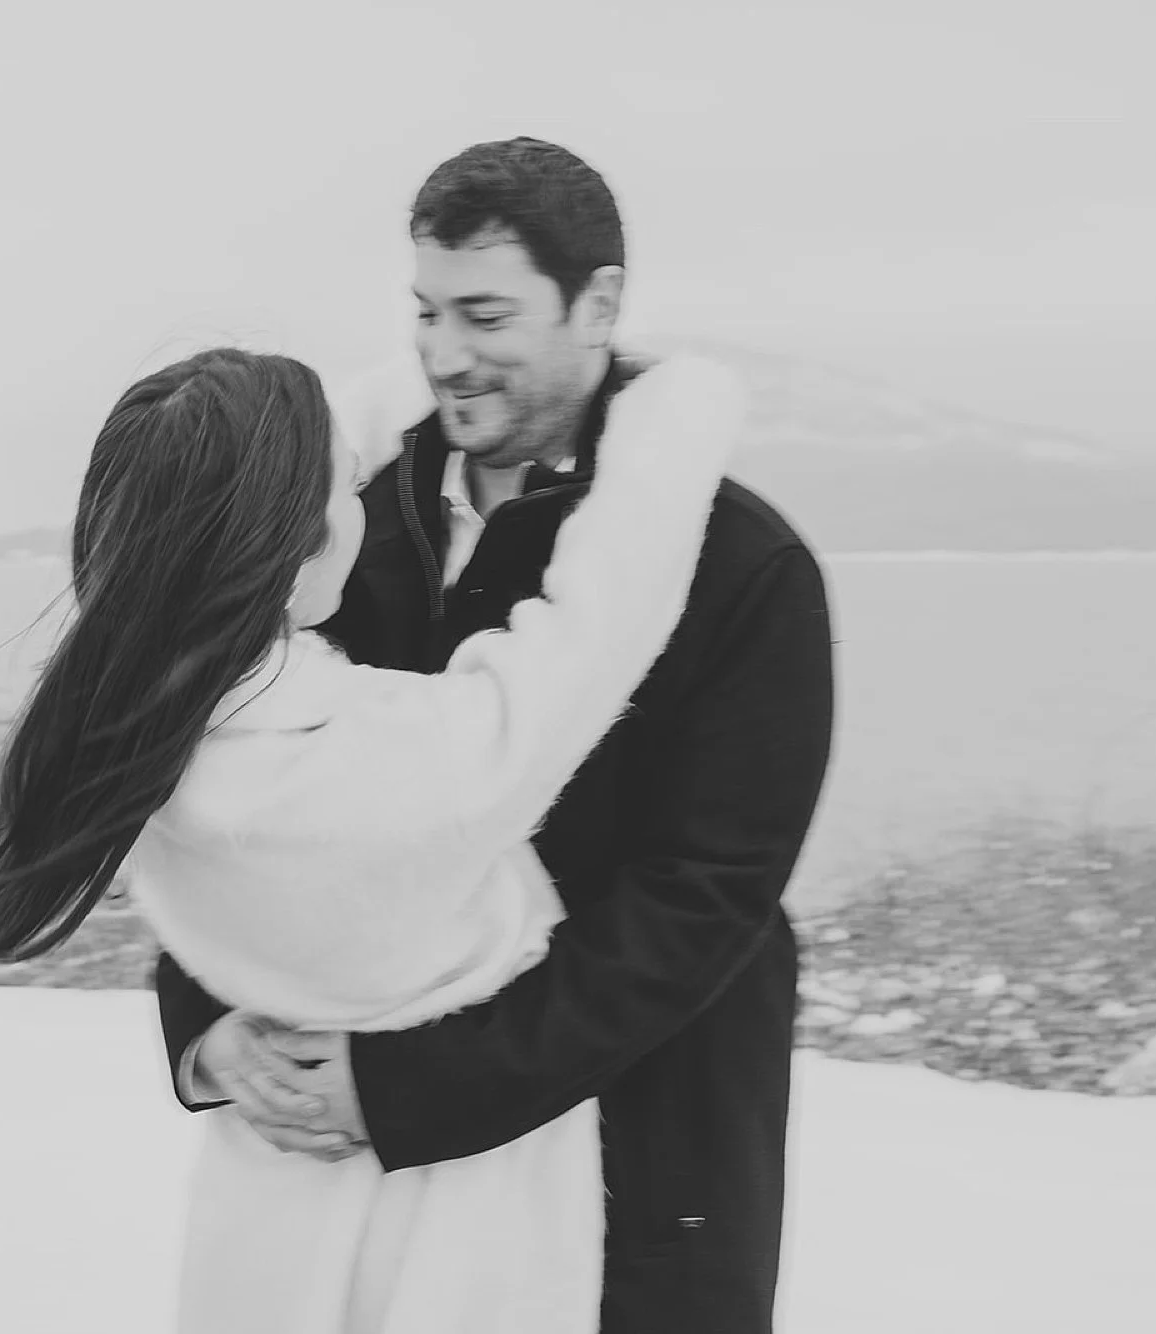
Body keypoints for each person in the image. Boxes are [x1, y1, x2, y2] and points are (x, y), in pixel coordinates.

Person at [0, 342, 749, 1332]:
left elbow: (223, 487)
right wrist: (680, 401)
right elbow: (605, 611)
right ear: (306, 545)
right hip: (456, 1221)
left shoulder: (124, 747)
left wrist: (406, 377)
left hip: (268, 1197)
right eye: (339, 491)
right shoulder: (403, 766)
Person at [155, 137, 836, 1332]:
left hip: (646, 1152)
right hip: (336, 1164)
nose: (440, 354)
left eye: (483, 314)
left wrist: (414, 1085)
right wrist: (209, 1028)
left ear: (598, 305)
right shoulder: (336, 525)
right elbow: (237, 780)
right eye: (422, 310)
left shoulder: (744, 567)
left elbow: (704, 899)